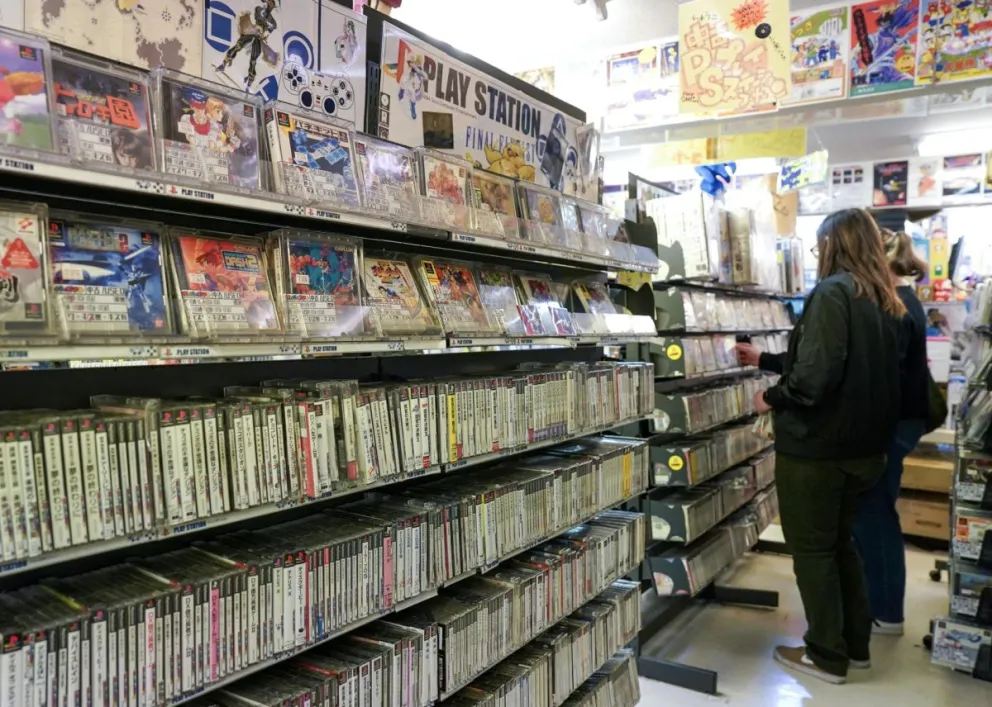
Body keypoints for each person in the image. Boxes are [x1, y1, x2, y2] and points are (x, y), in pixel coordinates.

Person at [735, 208, 904, 684]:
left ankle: (825, 654)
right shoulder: (881, 298)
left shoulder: (832, 292)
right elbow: (838, 360)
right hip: (864, 450)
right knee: (840, 545)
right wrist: (768, 358)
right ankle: (855, 645)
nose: (817, 254)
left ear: (834, 244)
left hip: (818, 449)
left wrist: (771, 396)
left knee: (812, 551)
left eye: (819, 245)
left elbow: (815, 375)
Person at [852, 230, 929, 636]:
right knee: (875, 514)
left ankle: (886, 612)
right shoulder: (906, 303)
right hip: (902, 424)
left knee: (874, 516)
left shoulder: (896, 309)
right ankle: (881, 605)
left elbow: (885, 377)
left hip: (892, 427)